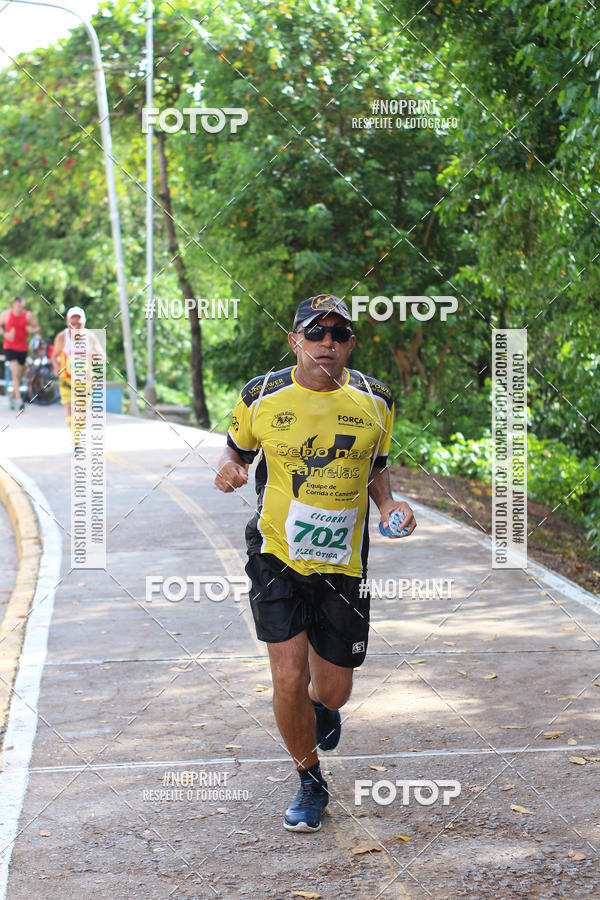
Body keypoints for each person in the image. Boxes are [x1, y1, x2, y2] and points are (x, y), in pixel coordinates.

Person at [215, 294, 416, 833]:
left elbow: (376, 467)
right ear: (295, 340)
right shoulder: (261, 395)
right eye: (315, 332)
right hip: (276, 555)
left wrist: (389, 504)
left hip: (344, 562)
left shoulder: (376, 399)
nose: (327, 343)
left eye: (338, 334)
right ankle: (310, 780)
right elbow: (235, 452)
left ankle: (321, 709)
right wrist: (229, 471)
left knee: (332, 691)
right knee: (287, 677)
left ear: (350, 343)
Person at [51, 306, 103, 447]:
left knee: (81, 409)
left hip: (84, 379)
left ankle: (78, 435)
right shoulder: (62, 338)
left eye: (79, 323)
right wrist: (57, 367)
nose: (76, 326)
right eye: (72, 323)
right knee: (70, 407)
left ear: (84, 322)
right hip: (67, 378)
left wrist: (94, 359)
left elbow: (101, 357)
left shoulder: (90, 337)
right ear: (68, 323)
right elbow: (54, 355)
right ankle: (76, 437)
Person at [0, 295, 40, 410]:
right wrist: (5, 334)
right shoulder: (6, 315)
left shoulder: (28, 315)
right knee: (15, 373)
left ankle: (11, 396)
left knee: (17, 376)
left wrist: (31, 329)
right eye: (18, 305)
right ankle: (19, 400)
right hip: (10, 348)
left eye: (22, 306)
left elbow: (37, 328)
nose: (19, 308)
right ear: (13, 304)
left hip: (22, 349)